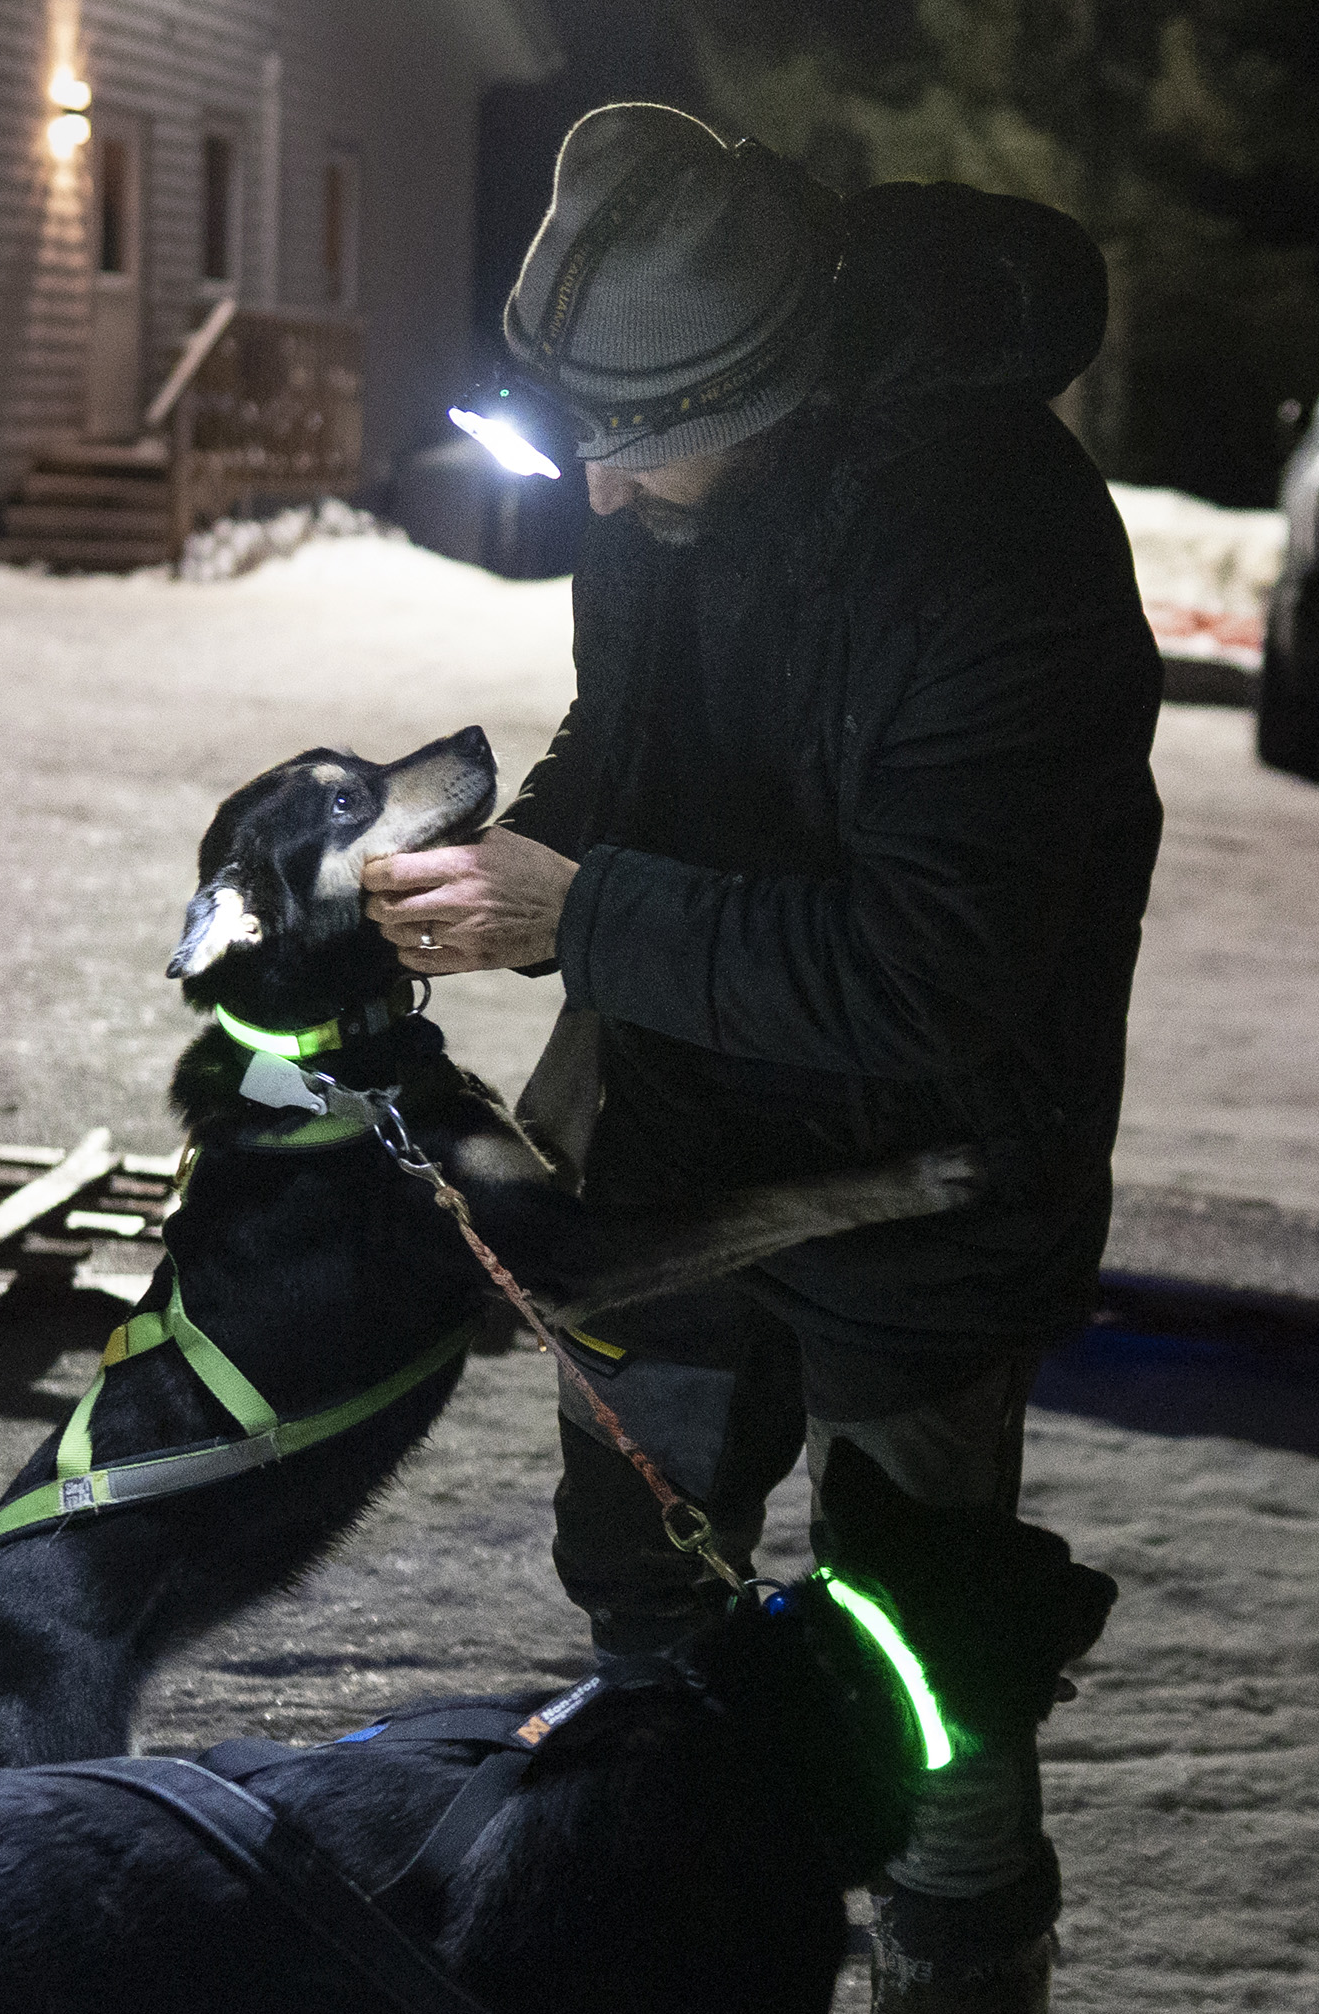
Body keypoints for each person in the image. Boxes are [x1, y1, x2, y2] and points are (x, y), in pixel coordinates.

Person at [363, 106, 1162, 2011]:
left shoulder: (1001, 549)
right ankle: (664, 1943)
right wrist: (514, 862)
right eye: (578, 442)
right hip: (670, 1149)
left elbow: (932, 974)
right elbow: (631, 736)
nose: (600, 495)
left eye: (636, 448)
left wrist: (582, 917)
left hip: (924, 1184)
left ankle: (959, 1967)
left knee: (925, 1675)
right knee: (646, 1608)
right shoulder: (668, 475)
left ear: (776, 392)